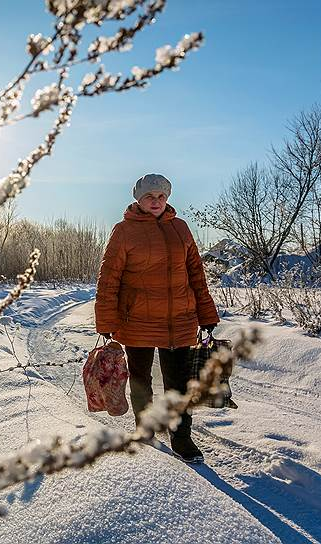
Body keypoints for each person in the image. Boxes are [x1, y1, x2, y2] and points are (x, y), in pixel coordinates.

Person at [94, 173, 219, 463]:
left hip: (179, 321)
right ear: (139, 199)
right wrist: (107, 321)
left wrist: (206, 314)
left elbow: (197, 276)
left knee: (179, 383)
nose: (156, 201)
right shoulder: (124, 231)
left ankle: (182, 438)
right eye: (150, 196)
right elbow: (109, 279)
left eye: (161, 196)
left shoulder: (181, 229)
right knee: (141, 379)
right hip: (136, 321)